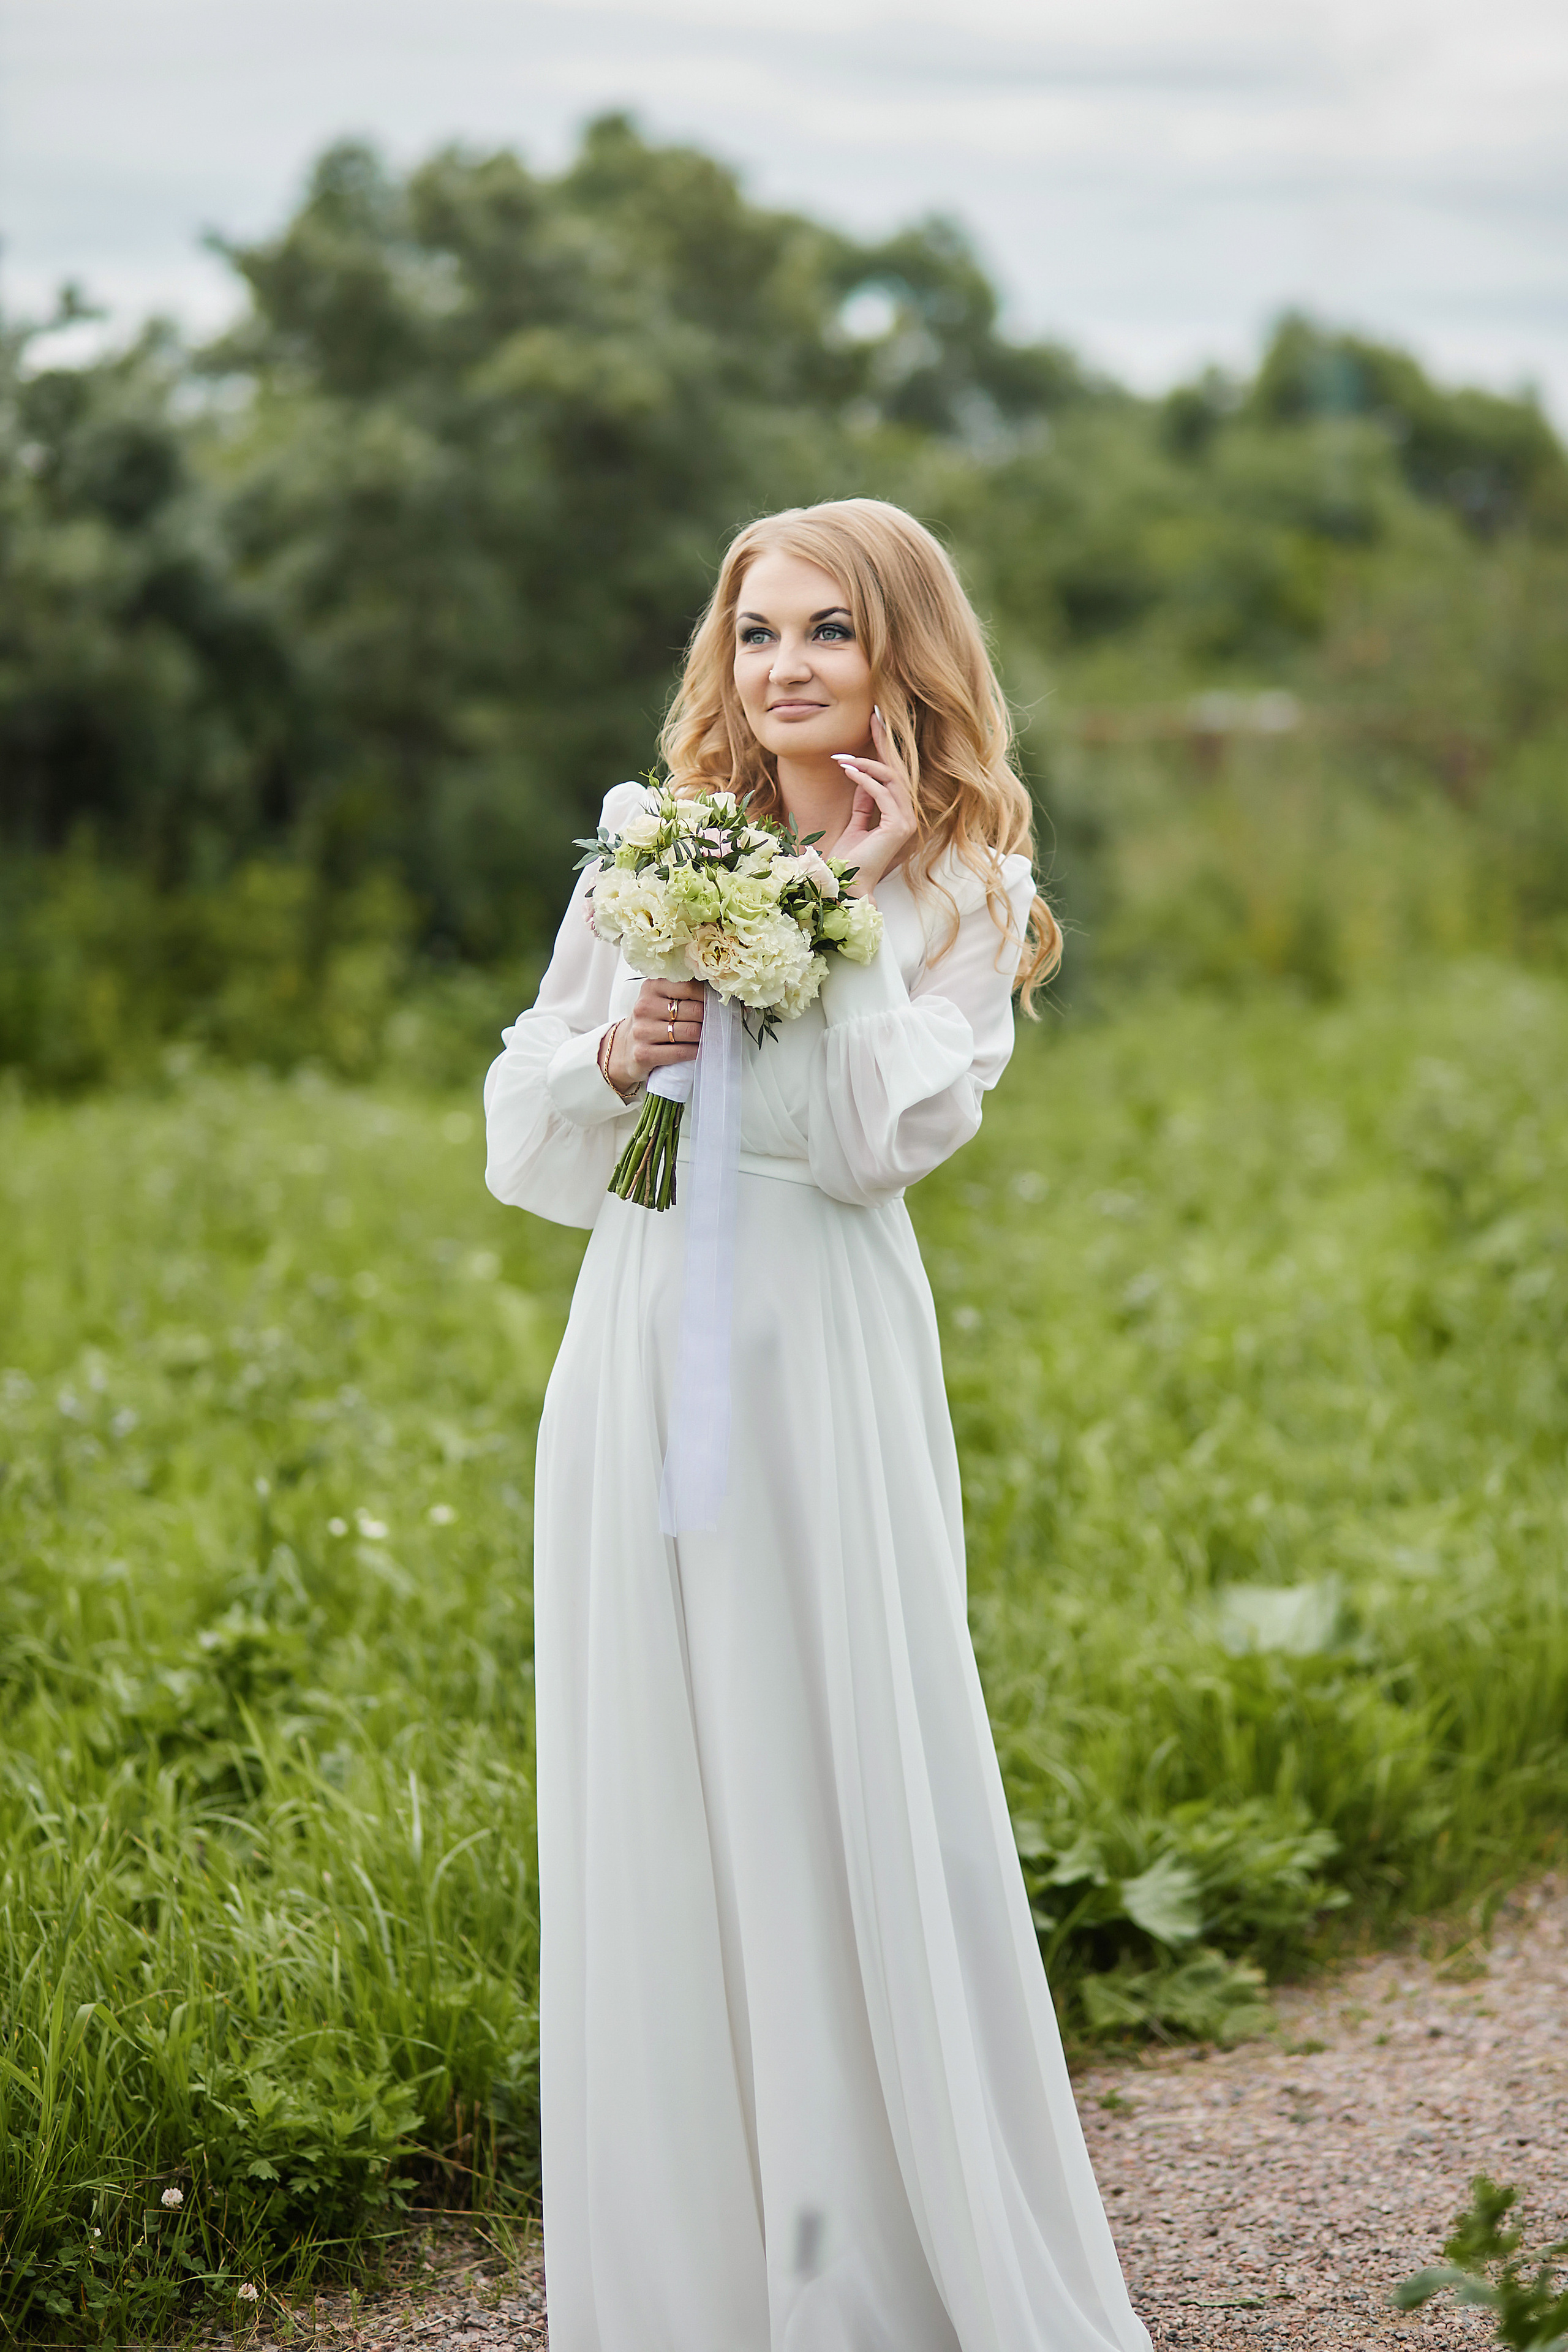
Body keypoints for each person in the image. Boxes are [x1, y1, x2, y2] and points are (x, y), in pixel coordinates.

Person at [484, 498, 1152, 2352]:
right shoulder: (652, 844)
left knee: (831, 1736)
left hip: (819, 1357)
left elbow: (874, 1150)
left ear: (900, 656)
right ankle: (693, 2281)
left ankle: (872, 2263)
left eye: (829, 635)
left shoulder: (965, 893)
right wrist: (618, 1052)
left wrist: (843, 923)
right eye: (760, 633)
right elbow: (531, 1125)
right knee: (666, 1760)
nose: (786, 670)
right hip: (641, 1331)